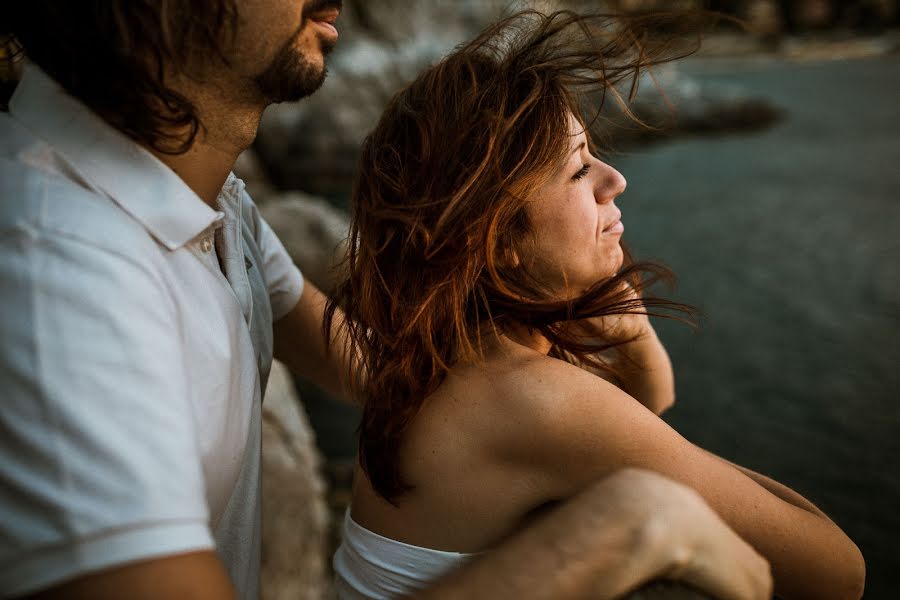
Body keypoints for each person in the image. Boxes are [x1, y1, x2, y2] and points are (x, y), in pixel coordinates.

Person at [0, 2, 771, 599]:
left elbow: (378, 373)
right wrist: (625, 528)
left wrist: (608, 346)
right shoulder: (56, 275)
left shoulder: (211, 203)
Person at [327, 9, 866, 600]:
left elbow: (649, 405)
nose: (616, 180)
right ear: (497, 239)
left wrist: (634, 331)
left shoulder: (443, 356)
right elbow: (838, 571)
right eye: (580, 169)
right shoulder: (533, 399)